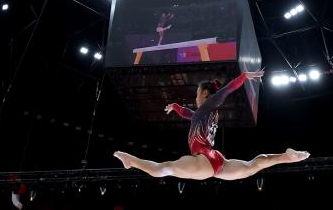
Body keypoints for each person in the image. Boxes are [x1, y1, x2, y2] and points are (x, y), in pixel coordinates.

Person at [114, 69, 309, 181]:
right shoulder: (203, 113)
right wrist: (175, 107)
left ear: (205, 94)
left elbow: (226, 91)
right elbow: (189, 114)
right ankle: (287, 157)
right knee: (251, 166)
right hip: (216, 159)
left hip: (203, 158)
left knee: (163, 169)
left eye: (197, 93)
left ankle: (130, 160)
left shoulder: (209, 104)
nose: (195, 97)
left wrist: (243, 76)